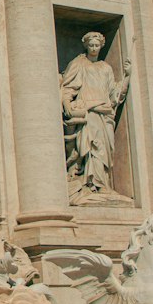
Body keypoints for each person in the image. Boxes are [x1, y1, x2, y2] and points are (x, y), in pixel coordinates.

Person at [60, 32, 130, 195]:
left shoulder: (106, 68)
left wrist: (127, 76)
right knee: (94, 147)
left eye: (96, 45)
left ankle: (102, 182)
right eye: (91, 45)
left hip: (105, 114)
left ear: (101, 46)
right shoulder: (79, 63)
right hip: (89, 112)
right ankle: (94, 184)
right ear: (86, 45)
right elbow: (68, 87)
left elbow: (114, 94)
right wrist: (66, 103)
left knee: (105, 150)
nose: (93, 48)